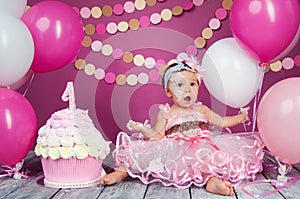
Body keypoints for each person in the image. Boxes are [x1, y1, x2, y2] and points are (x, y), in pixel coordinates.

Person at [100, 56, 264, 196]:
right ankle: (120, 173)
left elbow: (221, 121)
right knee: (140, 156)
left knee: (206, 162)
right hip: (174, 148)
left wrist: (240, 117)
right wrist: (142, 128)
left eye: (192, 85)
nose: (187, 90)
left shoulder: (202, 109)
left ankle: (212, 181)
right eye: (180, 85)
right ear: (169, 92)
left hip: (201, 147)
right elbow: (158, 135)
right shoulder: (166, 112)